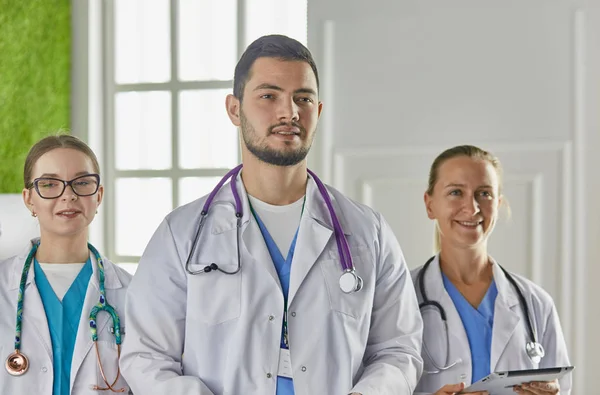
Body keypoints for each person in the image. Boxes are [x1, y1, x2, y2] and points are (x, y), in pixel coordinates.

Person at [120, 34, 423, 395]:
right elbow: (146, 357)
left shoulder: (367, 231)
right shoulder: (181, 234)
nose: (289, 112)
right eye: (269, 96)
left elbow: (399, 350)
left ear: (318, 111)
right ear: (235, 109)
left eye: (303, 99)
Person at [412, 145, 571, 395]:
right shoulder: (401, 299)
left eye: (484, 194)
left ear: (498, 204)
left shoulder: (536, 303)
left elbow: (564, 388)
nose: (472, 207)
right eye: (455, 192)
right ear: (429, 204)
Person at [0, 135, 132, 394]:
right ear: (29, 199)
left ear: (99, 195)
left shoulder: (132, 294)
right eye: (49, 184)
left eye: (82, 183)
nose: (68, 195)